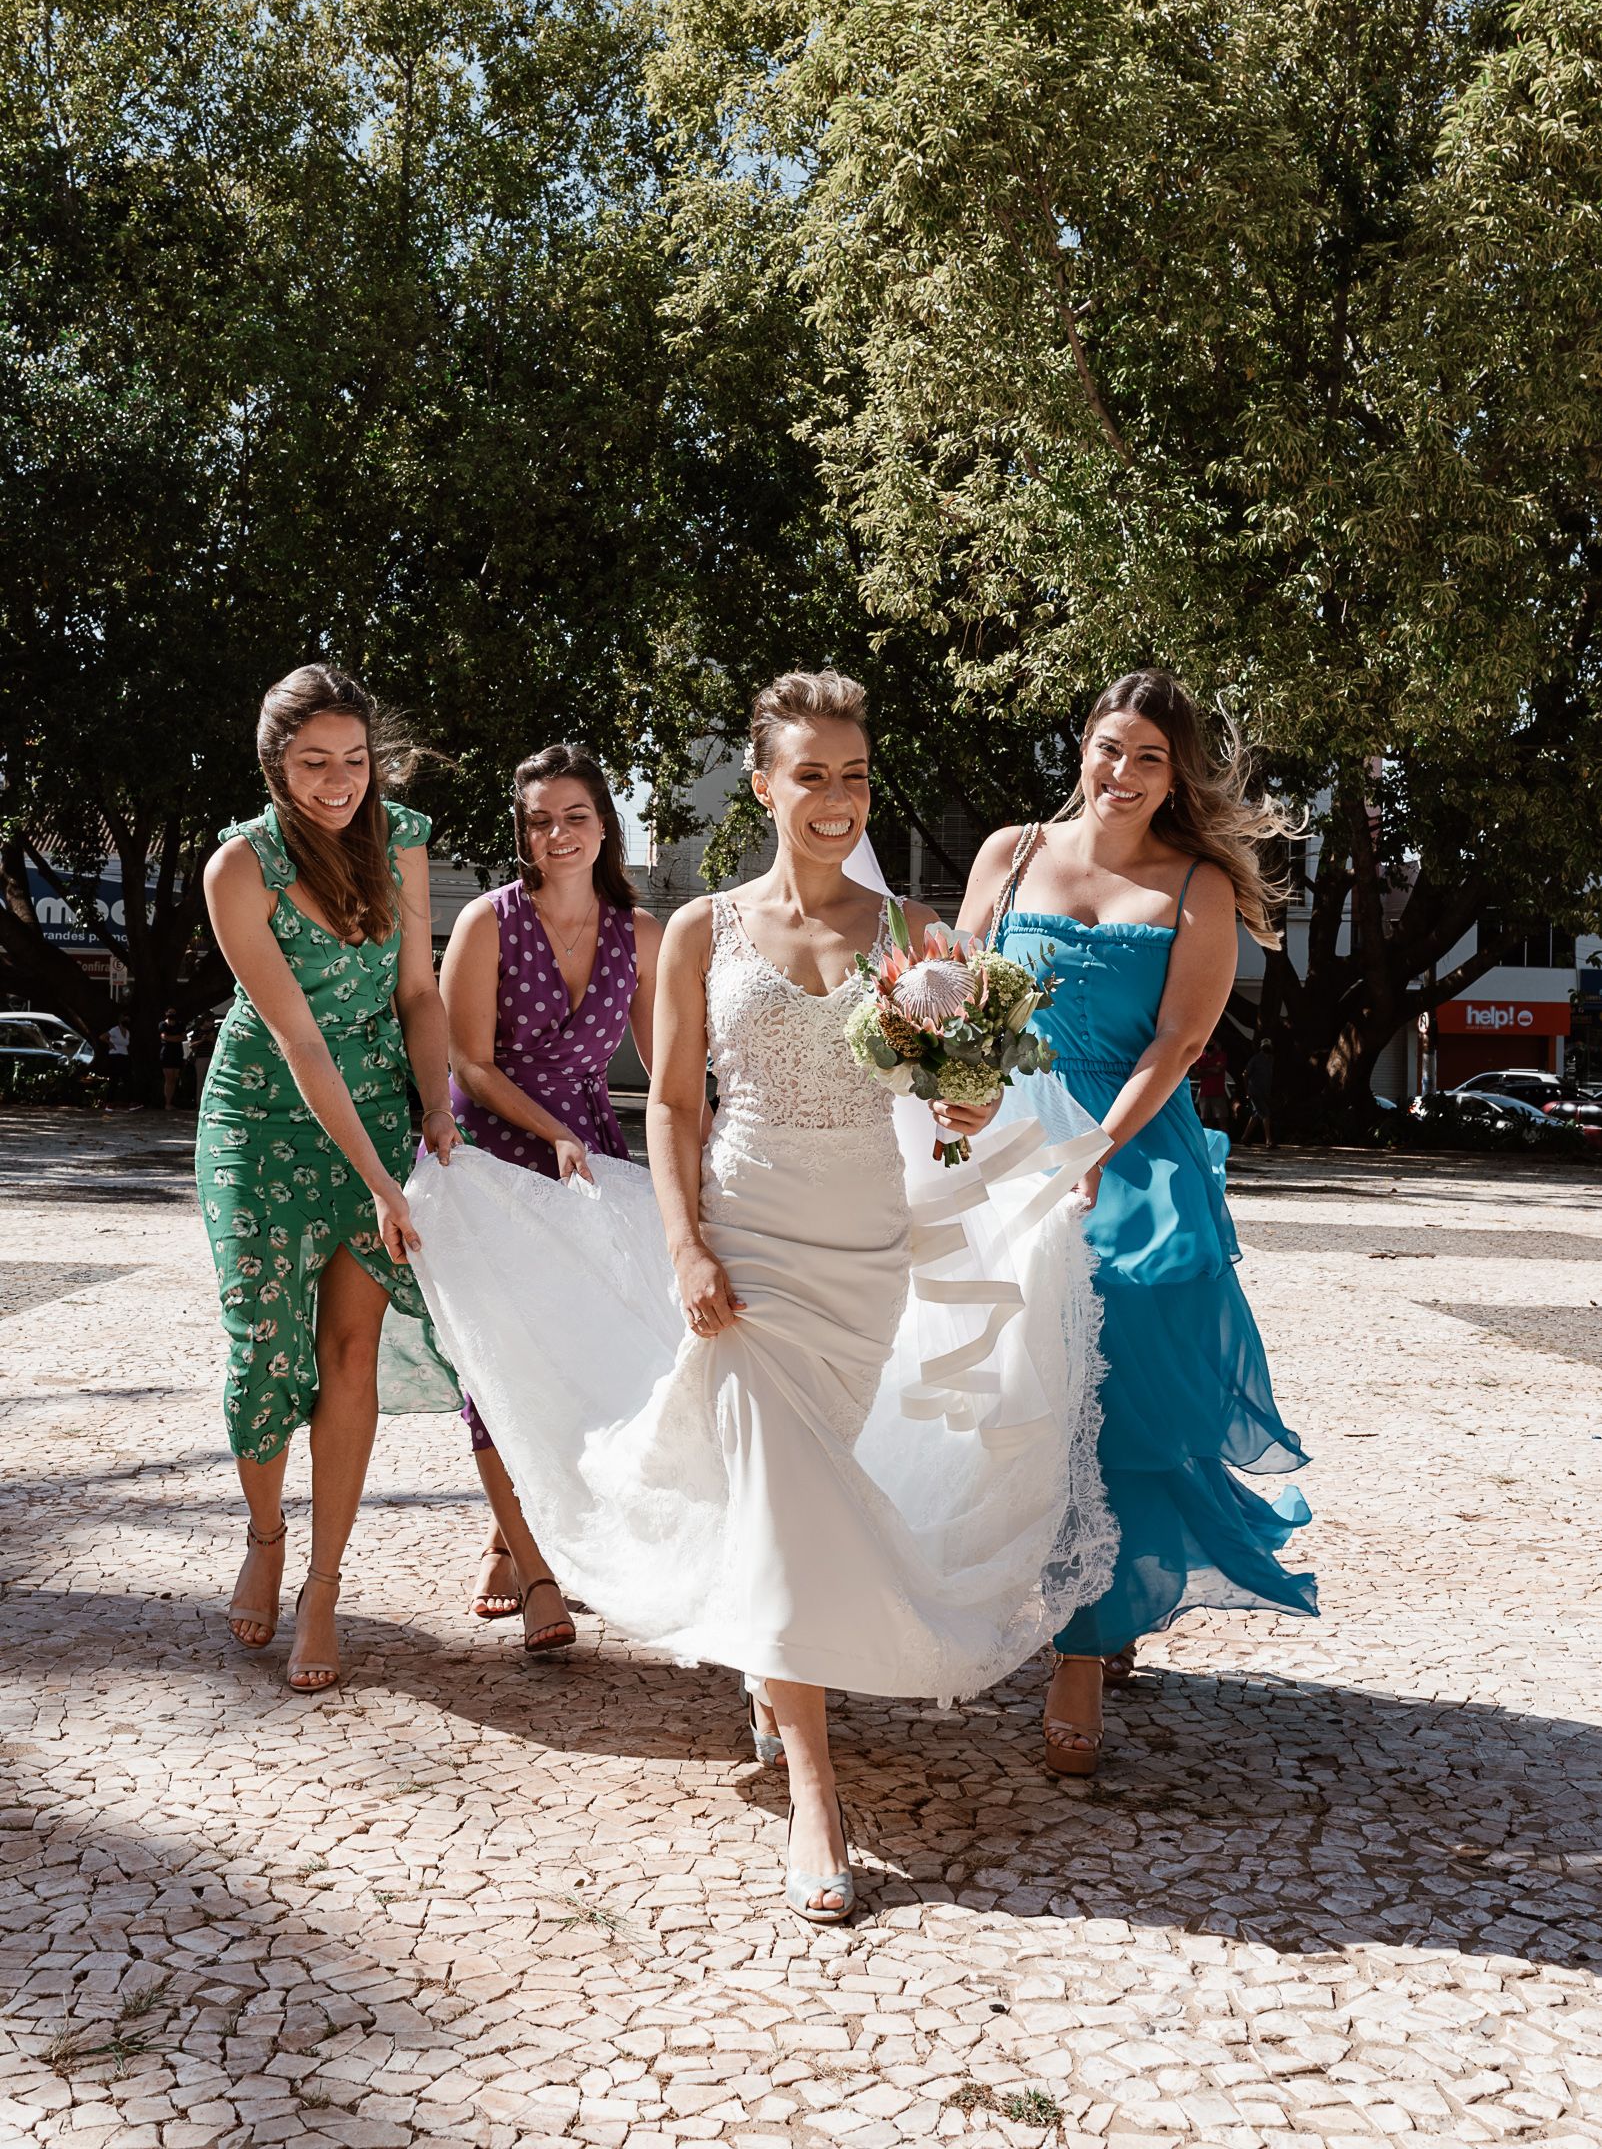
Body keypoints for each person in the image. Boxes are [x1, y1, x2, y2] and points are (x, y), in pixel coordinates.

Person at [406, 669, 1113, 1922]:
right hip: (747, 1240)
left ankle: (767, 1661)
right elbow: (673, 1104)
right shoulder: (699, 931)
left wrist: (970, 1105)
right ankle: (815, 1791)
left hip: (862, 1252)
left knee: (799, 1484)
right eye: (811, 774)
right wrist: (684, 1248)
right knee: (781, 1484)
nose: (836, 798)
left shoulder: (910, 936)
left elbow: (969, 1095)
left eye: (854, 774)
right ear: (765, 784)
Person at [958, 668, 1316, 1778]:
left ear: (1177, 776)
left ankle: (1082, 1645)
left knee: (1107, 1391)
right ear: (1084, 747)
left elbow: (1181, 1042)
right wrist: (945, 1090)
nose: (1121, 773)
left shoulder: (1198, 884)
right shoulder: (1010, 851)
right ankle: (975, 1592)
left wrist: (1097, 1149)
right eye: (1110, 748)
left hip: (1125, 1141)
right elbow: (953, 993)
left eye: (1149, 758)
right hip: (1000, 1138)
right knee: (982, 1381)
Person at [197, 664, 461, 1693]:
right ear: (275, 767)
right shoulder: (239, 869)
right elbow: (300, 1041)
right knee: (263, 1347)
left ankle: (322, 1583)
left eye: (355, 760)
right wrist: (382, 1182)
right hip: (263, 1118)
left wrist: (434, 1106)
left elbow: (419, 993)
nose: (341, 781)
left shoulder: (402, 841)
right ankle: (265, 1536)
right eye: (315, 764)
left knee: (350, 1351)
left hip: (380, 1114)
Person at [438, 743, 661, 1653]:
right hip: (490, 1155)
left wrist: (724, 1137)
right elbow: (467, 1062)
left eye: (575, 815)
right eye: (540, 820)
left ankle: (506, 1531)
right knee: (498, 1369)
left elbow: (667, 1069)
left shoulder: (641, 936)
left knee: (579, 1360)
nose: (558, 833)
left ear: (605, 824)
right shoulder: (489, 923)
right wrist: (554, 1130)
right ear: (523, 833)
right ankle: (538, 1575)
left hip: (587, 1161)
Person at [1241, 1039, 1276, 1147]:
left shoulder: (1271, 1059)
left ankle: (1245, 1137)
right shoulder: (1255, 1059)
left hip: (1264, 1092)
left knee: (1256, 1115)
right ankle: (1268, 1141)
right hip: (1255, 1091)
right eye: (1265, 1046)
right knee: (1265, 1113)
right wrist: (1247, 1090)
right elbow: (1245, 1074)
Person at [1193, 1037, 1232, 1133]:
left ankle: (1225, 1144)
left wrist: (1204, 1071)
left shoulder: (1221, 1055)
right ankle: (1208, 1145)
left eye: (1212, 1043)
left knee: (1222, 1121)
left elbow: (1218, 1070)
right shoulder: (1201, 1057)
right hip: (1204, 1094)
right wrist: (1211, 1069)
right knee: (1206, 1122)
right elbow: (1196, 1073)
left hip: (1218, 1093)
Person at [185, 1012, 218, 1102]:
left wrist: (212, 1040)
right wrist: (202, 1040)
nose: (211, 1023)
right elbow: (191, 1045)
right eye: (209, 1021)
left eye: (212, 1021)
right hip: (201, 1058)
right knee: (201, 1081)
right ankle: (199, 1103)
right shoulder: (197, 1031)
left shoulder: (215, 1031)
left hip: (213, 1058)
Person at [159, 1008, 186, 1110]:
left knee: (174, 1079)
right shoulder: (163, 1025)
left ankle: (170, 1101)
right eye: (170, 1013)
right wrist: (176, 1038)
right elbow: (164, 1037)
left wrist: (171, 1038)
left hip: (177, 1053)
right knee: (169, 1079)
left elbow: (184, 1037)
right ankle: (167, 1103)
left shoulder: (180, 1024)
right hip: (167, 1054)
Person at [106, 1019, 130, 1105]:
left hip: (124, 1056)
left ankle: (130, 1101)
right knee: (114, 1079)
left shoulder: (127, 1032)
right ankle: (109, 1102)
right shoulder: (114, 1030)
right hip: (115, 1056)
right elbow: (102, 1036)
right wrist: (110, 1043)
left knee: (127, 1079)